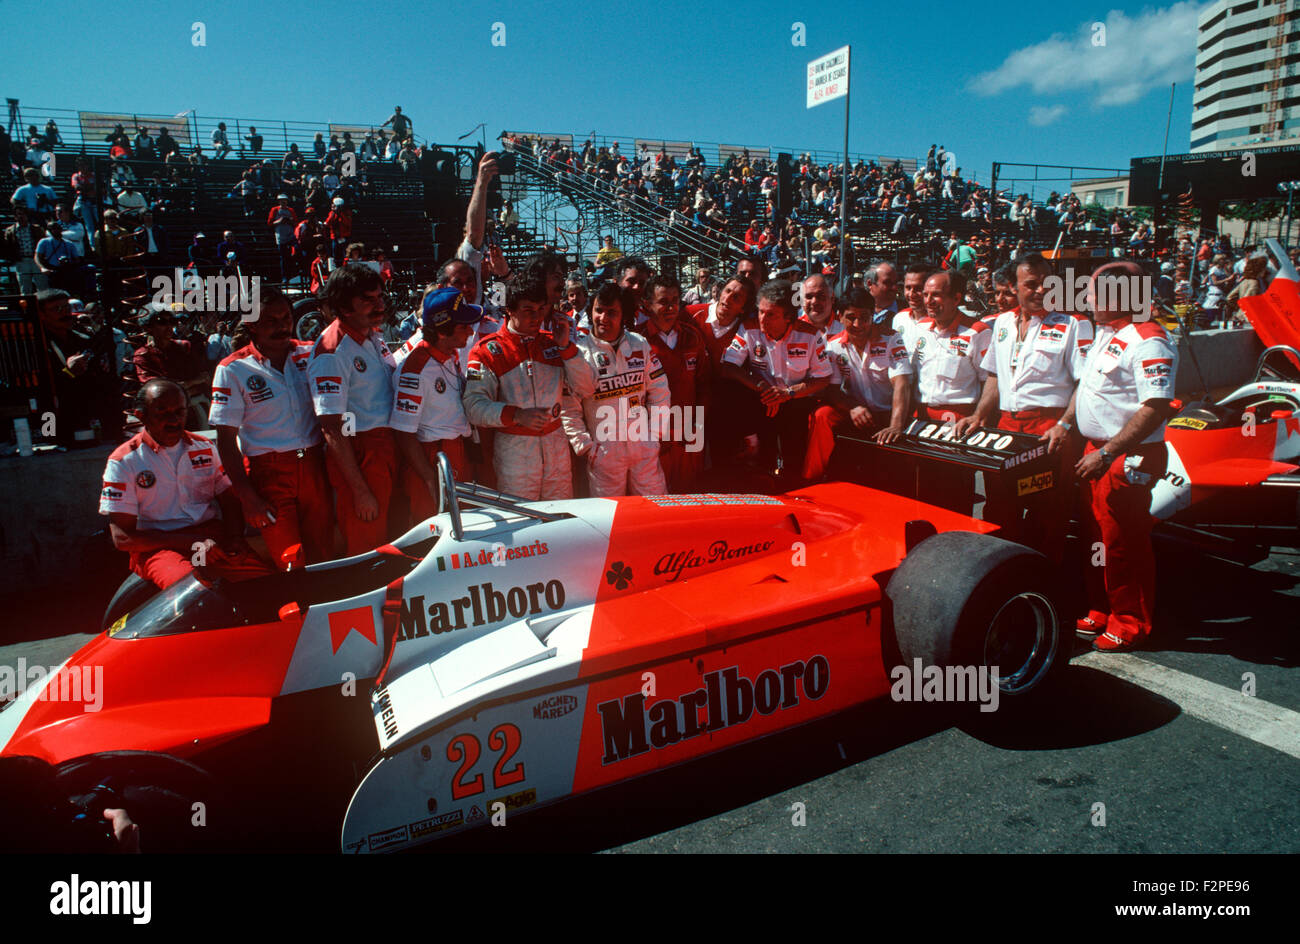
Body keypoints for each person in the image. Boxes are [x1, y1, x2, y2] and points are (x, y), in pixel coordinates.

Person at [1072, 260, 1179, 652]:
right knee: (1096, 539)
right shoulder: (1106, 332)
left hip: (1125, 455)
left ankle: (1130, 623)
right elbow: (1086, 389)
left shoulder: (1150, 340)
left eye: (1094, 293)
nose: (1086, 299)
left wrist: (1107, 452)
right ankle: (1103, 607)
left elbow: (1155, 408)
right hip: (1096, 452)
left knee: (1123, 543)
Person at [958, 253, 1093, 555]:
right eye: (1032, 284)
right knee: (1001, 507)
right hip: (1007, 426)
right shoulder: (1002, 323)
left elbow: (1085, 383)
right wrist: (980, 415)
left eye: (1048, 283)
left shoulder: (1074, 324)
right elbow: (994, 375)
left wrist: (1064, 424)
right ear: (1014, 287)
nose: (1042, 290)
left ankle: (1047, 584)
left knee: (1048, 514)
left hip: (1050, 429)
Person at [100, 378, 270, 589]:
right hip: (159, 549)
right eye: (162, 412)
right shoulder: (124, 461)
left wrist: (235, 538)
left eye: (179, 411)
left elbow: (230, 500)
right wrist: (189, 540)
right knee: (193, 592)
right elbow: (123, 538)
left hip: (209, 541)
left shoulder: (205, 447)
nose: (173, 420)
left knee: (263, 584)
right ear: (141, 415)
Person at [210, 285, 334, 568]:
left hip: (315, 466)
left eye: (286, 319)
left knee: (324, 557)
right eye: (271, 321)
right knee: (290, 561)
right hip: (270, 476)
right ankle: (298, 612)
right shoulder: (232, 369)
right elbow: (226, 441)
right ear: (251, 325)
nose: (282, 327)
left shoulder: (310, 354)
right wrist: (248, 498)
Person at [462, 268, 593, 501]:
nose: (536, 318)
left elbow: (586, 388)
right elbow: (473, 406)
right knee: (522, 525)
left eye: (540, 310)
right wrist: (517, 415)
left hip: (557, 448)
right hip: (515, 452)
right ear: (509, 310)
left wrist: (567, 349)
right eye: (527, 311)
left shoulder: (553, 343)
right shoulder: (487, 350)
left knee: (561, 522)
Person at [308, 264, 396, 556]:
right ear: (344, 307)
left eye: (380, 297)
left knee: (391, 536)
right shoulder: (333, 352)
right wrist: (360, 491)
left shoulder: (372, 335)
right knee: (368, 547)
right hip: (361, 453)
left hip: (386, 447)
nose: (379, 305)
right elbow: (332, 427)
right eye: (367, 300)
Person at [719, 279, 832, 485]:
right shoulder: (748, 328)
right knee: (731, 394)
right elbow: (728, 367)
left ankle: (794, 486)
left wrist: (788, 393)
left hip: (795, 400)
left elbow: (823, 378)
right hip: (762, 398)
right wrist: (762, 387)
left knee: (793, 459)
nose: (762, 318)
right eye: (760, 311)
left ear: (788, 316)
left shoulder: (809, 335)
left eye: (770, 314)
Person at [566, 282, 669, 497]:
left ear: (624, 316)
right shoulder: (579, 353)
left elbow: (660, 391)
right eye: (598, 310)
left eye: (611, 312)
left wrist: (655, 435)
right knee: (610, 515)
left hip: (642, 444)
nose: (603, 318)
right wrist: (585, 447)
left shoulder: (639, 344)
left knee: (654, 506)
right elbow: (569, 407)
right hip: (604, 450)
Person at [391, 287, 485, 522]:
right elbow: (404, 434)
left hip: (457, 453)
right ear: (443, 331)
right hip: (432, 461)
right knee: (434, 532)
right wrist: (430, 479)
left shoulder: (450, 354)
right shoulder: (414, 370)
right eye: (463, 325)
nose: (470, 330)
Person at [803, 288, 912, 482]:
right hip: (857, 413)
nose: (858, 324)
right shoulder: (834, 346)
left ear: (873, 316)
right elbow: (833, 389)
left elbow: (902, 383)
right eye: (851, 317)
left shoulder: (891, 338)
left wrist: (896, 426)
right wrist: (853, 407)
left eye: (865, 317)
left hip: (889, 413)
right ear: (839, 317)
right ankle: (812, 478)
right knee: (822, 415)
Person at [641, 275, 709, 492]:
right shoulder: (636, 340)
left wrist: (698, 423)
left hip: (689, 428)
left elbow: (704, 384)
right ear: (647, 305)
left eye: (675, 300)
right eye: (663, 301)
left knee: (690, 493)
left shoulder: (693, 336)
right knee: (656, 496)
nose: (670, 307)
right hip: (653, 434)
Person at [4, 204, 47, 293]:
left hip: (36, 260)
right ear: (15, 217)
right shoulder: (10, 231)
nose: (21, 216)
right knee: (25, 289)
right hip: (21, 261)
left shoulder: (37, 228)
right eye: (18, 214)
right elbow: (8, 247)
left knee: (42, 287)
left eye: (23, 214)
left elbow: (44, 244)